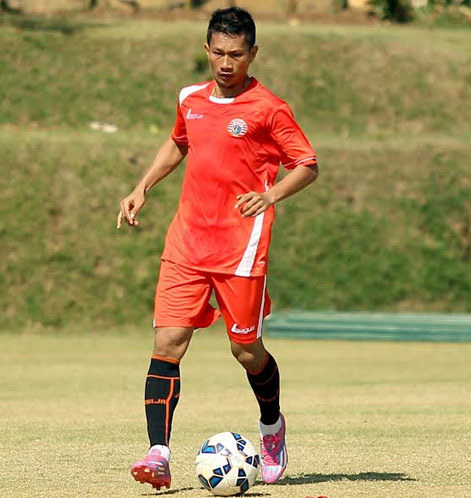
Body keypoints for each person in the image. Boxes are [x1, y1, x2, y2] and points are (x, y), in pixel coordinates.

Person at [117, 7, 319, 491]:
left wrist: (271, 195)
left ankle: (272, 429)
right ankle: (158, 453)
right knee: (167, 344)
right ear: (206, 50)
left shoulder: (269, 107)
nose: (226, 63)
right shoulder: (190, 98)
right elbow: (178, 142)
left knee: (245, 350)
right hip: (187, 241)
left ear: (253, 53)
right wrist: (143, 185)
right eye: (218, 53)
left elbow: (307, 164)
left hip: (241, 248)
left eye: (236, 54)